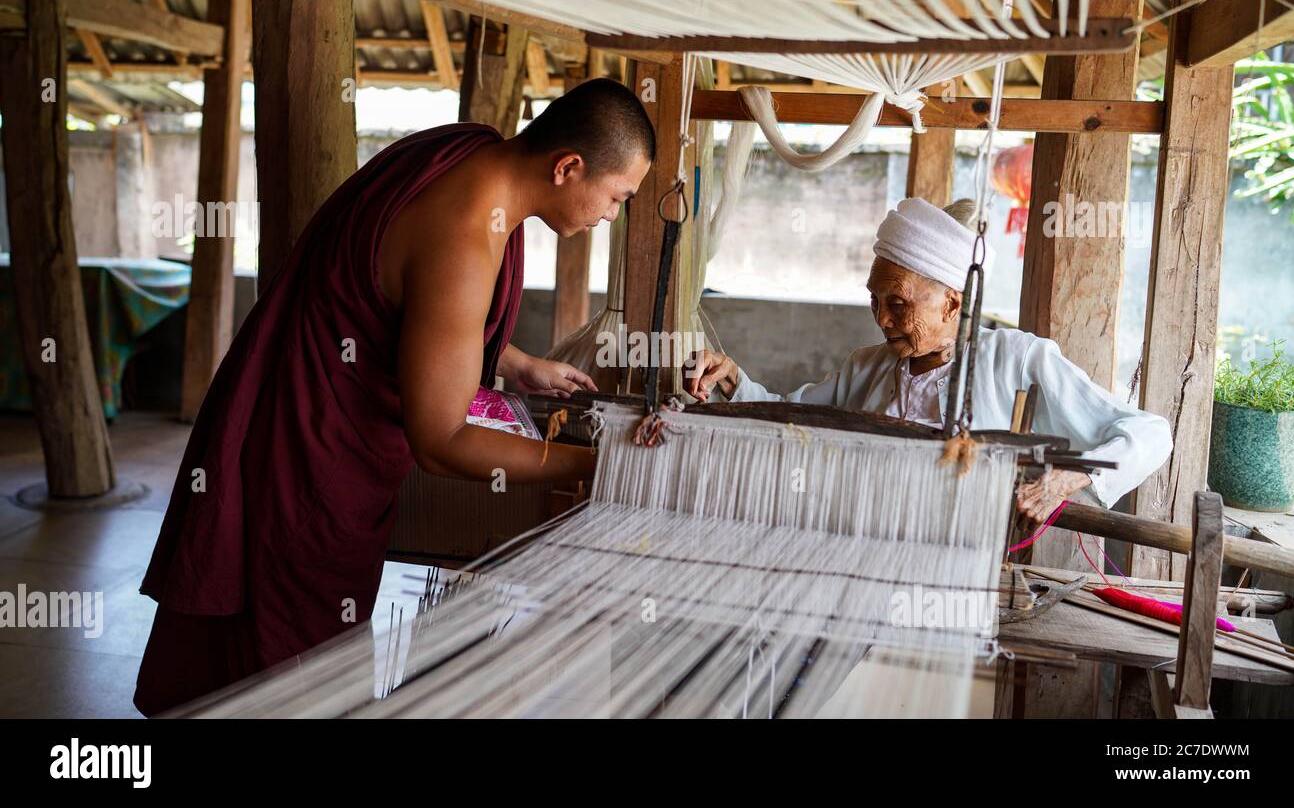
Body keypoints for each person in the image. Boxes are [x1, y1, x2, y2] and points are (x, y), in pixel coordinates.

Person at [133, 78, 655, 715]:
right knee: (289, 680)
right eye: (616, 196)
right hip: (308, 461)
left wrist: (509, 359)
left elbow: (404, 301)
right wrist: (601, 467)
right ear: (569, 167)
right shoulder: (466, 232)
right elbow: (441, 440)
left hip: (298, 420)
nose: (610, 214)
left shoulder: (470, 157)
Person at [683, 197, 1172, 530]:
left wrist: (1066, 479)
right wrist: (732, 380)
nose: (880, 318)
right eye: (874, 300)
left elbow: (1151, 432)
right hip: (858, 543)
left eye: (898, 303)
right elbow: (792, 416)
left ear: (952, 304)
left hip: (952, 565)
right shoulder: (867, 367)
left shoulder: (1018, 358)